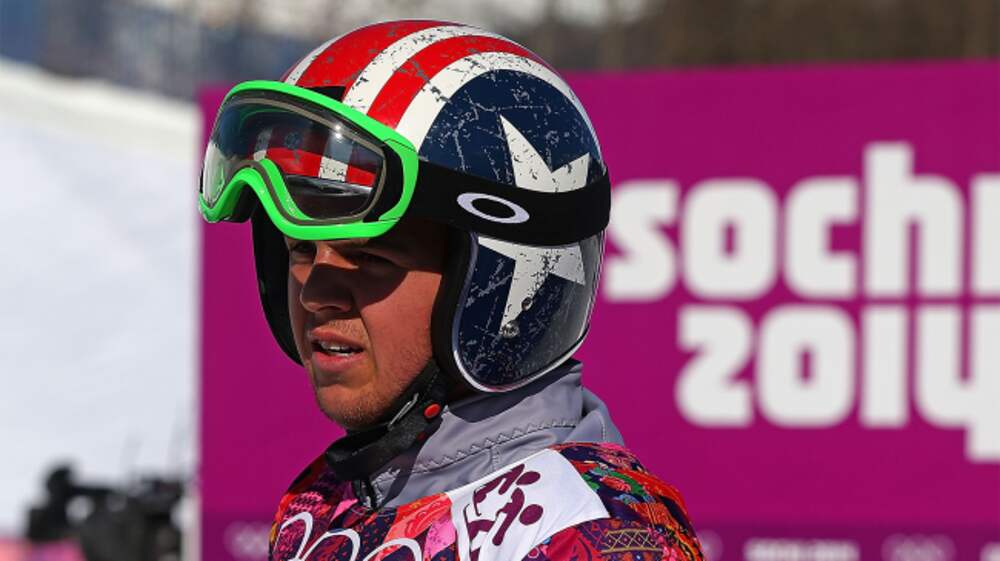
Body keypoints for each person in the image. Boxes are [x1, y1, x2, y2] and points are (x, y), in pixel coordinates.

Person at [200, 20, 704, 561]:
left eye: (369, 258)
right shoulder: (322, 502)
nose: (315, 294)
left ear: (496, 287)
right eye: (301, 250)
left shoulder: (583, 536)